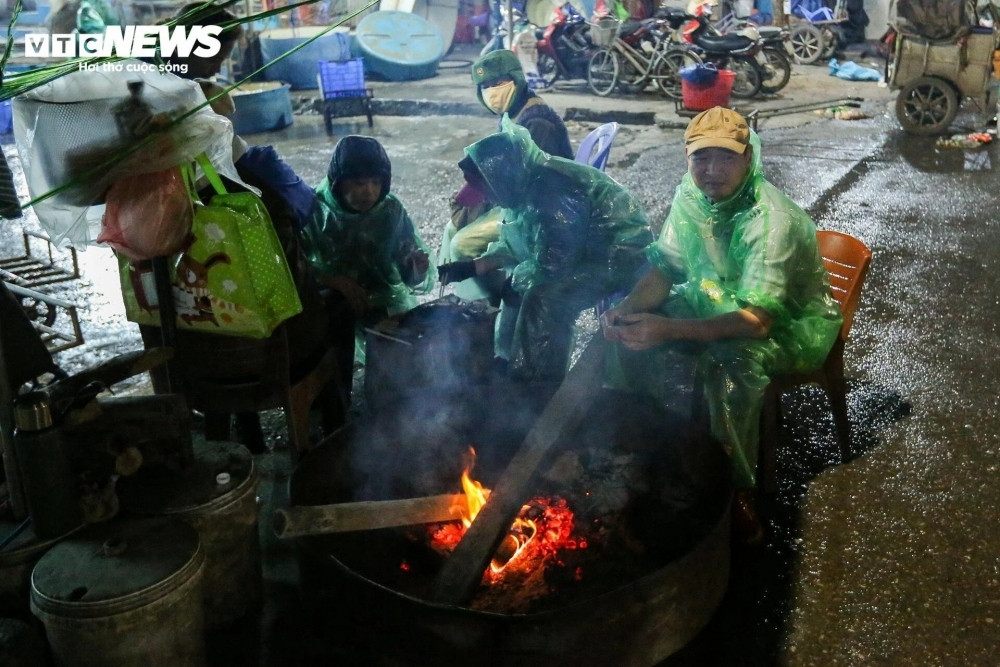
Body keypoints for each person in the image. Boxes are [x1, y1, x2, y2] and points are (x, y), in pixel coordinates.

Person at [600, 107, 842, 542]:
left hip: (787, 324)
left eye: (726, 158)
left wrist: (668, 329)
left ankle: (736, 494)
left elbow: (756, 321)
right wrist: (630, 309)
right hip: (718, 298)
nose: (712, 171)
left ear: (749, 157)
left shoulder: (770, 220)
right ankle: (635, 447)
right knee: (625, 334)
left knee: (730, 365)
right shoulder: (691, 198)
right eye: (701, 158)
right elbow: (664, 271)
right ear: (687, 159)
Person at [438, 118, 652, 382]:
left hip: (617, 255)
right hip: (582, 250)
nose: (485, 197)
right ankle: (506, 360)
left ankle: (537, 383)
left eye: (485, 188)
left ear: (500, 178)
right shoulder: (524, 183)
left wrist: (517, 283)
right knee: (521, 286)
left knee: (545, 298)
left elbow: (554, 265)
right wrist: (472, 267)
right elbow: (520, 243)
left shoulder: (552, 191)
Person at [440, 49, 574, 302]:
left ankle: (487, 306)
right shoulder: (512, 114)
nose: (492, 91)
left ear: (516, 79)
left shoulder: (537, 122)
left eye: (498, 83)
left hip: (541, 212)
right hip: (519, 203)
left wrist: (485, 196)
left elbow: (531, 188)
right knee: (451, 227)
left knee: (462, 244)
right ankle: (465, 300)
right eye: (485, 86)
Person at [300, 135, 434, 362]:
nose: (369, 192)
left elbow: (409, 274)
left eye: (376, 182)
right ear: (338, 182)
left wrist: (415, 267)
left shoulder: (390, 209)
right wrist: (330, 280)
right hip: (335, 303)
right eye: (359, 183)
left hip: (385, 303)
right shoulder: (314, 210)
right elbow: (293, 267)